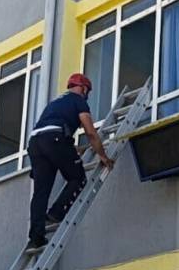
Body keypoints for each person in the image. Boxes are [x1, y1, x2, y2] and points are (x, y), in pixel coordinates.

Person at [26, 73, 115, 248]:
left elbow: (49, 133)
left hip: (35, 143)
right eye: (87, 91)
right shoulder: (79, 100)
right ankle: (57, 213)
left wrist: (73, 150)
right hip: (55, 140)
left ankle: (36, 236)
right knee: (78, 178)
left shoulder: (55, 103)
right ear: (82, 88)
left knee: (41, 192)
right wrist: (103, 156)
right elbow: (90, 132)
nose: (86, 94)